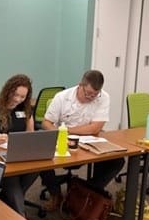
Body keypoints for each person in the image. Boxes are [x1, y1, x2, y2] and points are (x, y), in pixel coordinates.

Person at [40, 70, 124, 208]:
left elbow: (95, 128)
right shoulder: (62, 97)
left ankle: (87, 190)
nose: (91, 97)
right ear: (80, 85)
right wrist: (60, 134)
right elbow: (46, 123)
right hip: (63, 140)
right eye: (88, 93)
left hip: (89, 140)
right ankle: (55, 193)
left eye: (95, 94)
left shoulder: (103, 97)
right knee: (40, 156)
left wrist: (66, 131)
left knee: (117, 160)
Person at [0, 74, 39, 215]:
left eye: (23, 97)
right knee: (11, 176)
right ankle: (20, 216)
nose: (18, 99)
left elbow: (31, 134)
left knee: (36, 168)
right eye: (15, 94)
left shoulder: (26, 109)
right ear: (8, 90)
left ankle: (7, 199)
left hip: (19, 153)